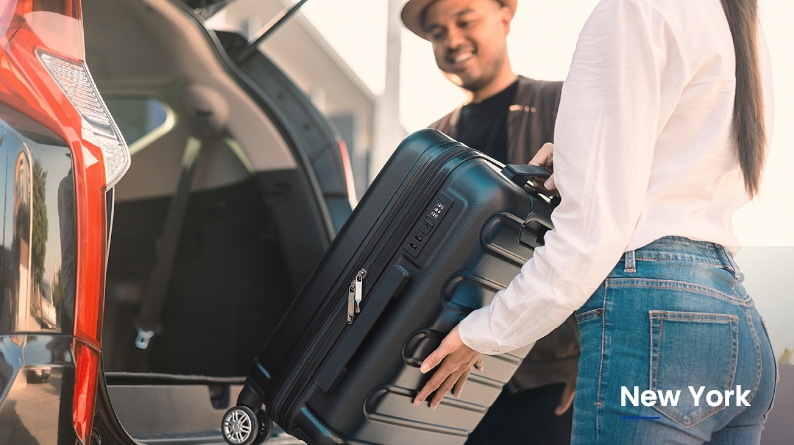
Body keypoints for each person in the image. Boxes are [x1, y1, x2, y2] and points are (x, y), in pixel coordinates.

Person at [413, 0, 777, 443]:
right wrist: (573, 167)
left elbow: (592, 233)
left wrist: (483, 332)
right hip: (732, 314)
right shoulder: (735, 18)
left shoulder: (632, 11)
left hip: (650, 318)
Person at [401, 0, 579, 443]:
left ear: (506, 13)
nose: (452, 39)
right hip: (451, 380)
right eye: (437, 32)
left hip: (546, 379)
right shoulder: (430, 140)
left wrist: (595, 358)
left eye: (464, 20)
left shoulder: (563, 103)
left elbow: (606, 230)